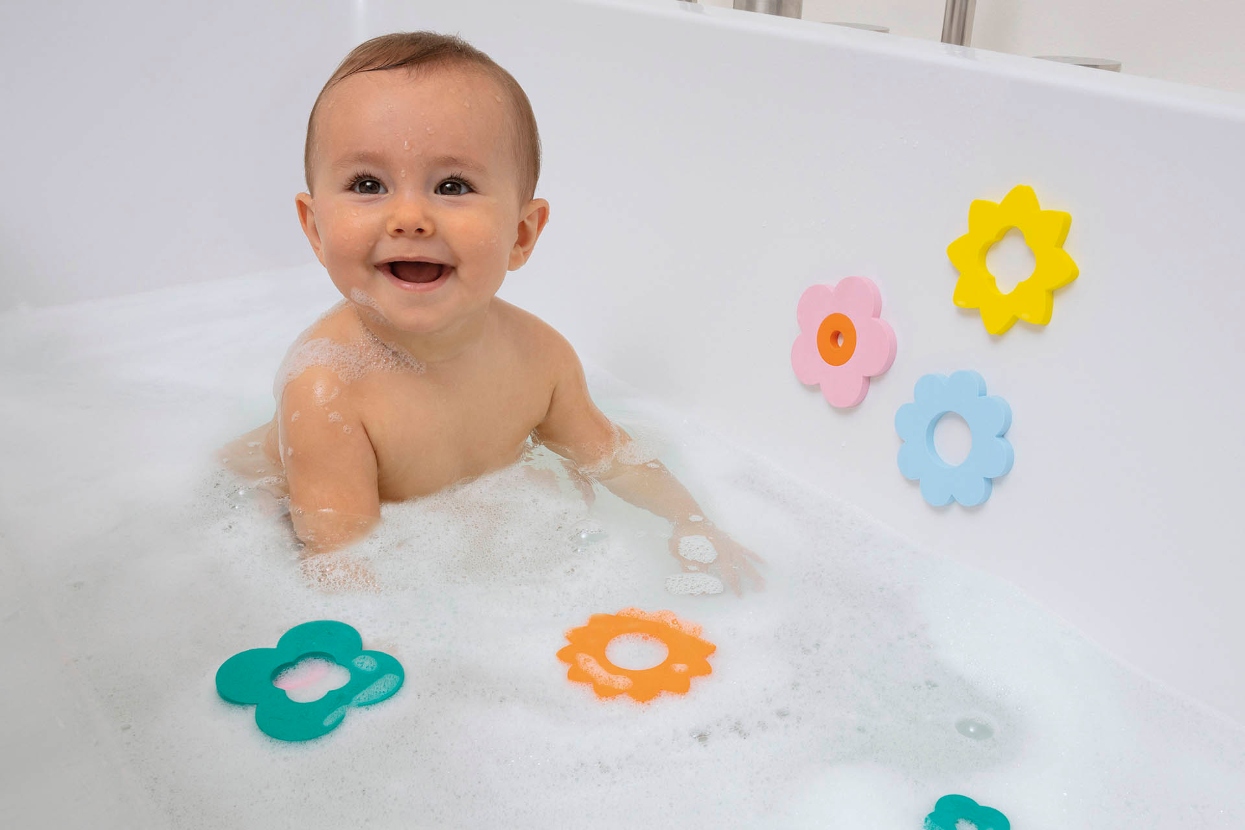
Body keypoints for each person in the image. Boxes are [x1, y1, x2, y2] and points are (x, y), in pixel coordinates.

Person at [229, 32, 761, 594]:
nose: (409, 217)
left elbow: (613, 457)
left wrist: (689, 521)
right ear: (314, 228)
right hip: (271, 503)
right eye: (368, 184)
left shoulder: (540, 358)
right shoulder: (326, 392)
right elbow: (343, 563)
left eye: (452, 185)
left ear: (522, 233)